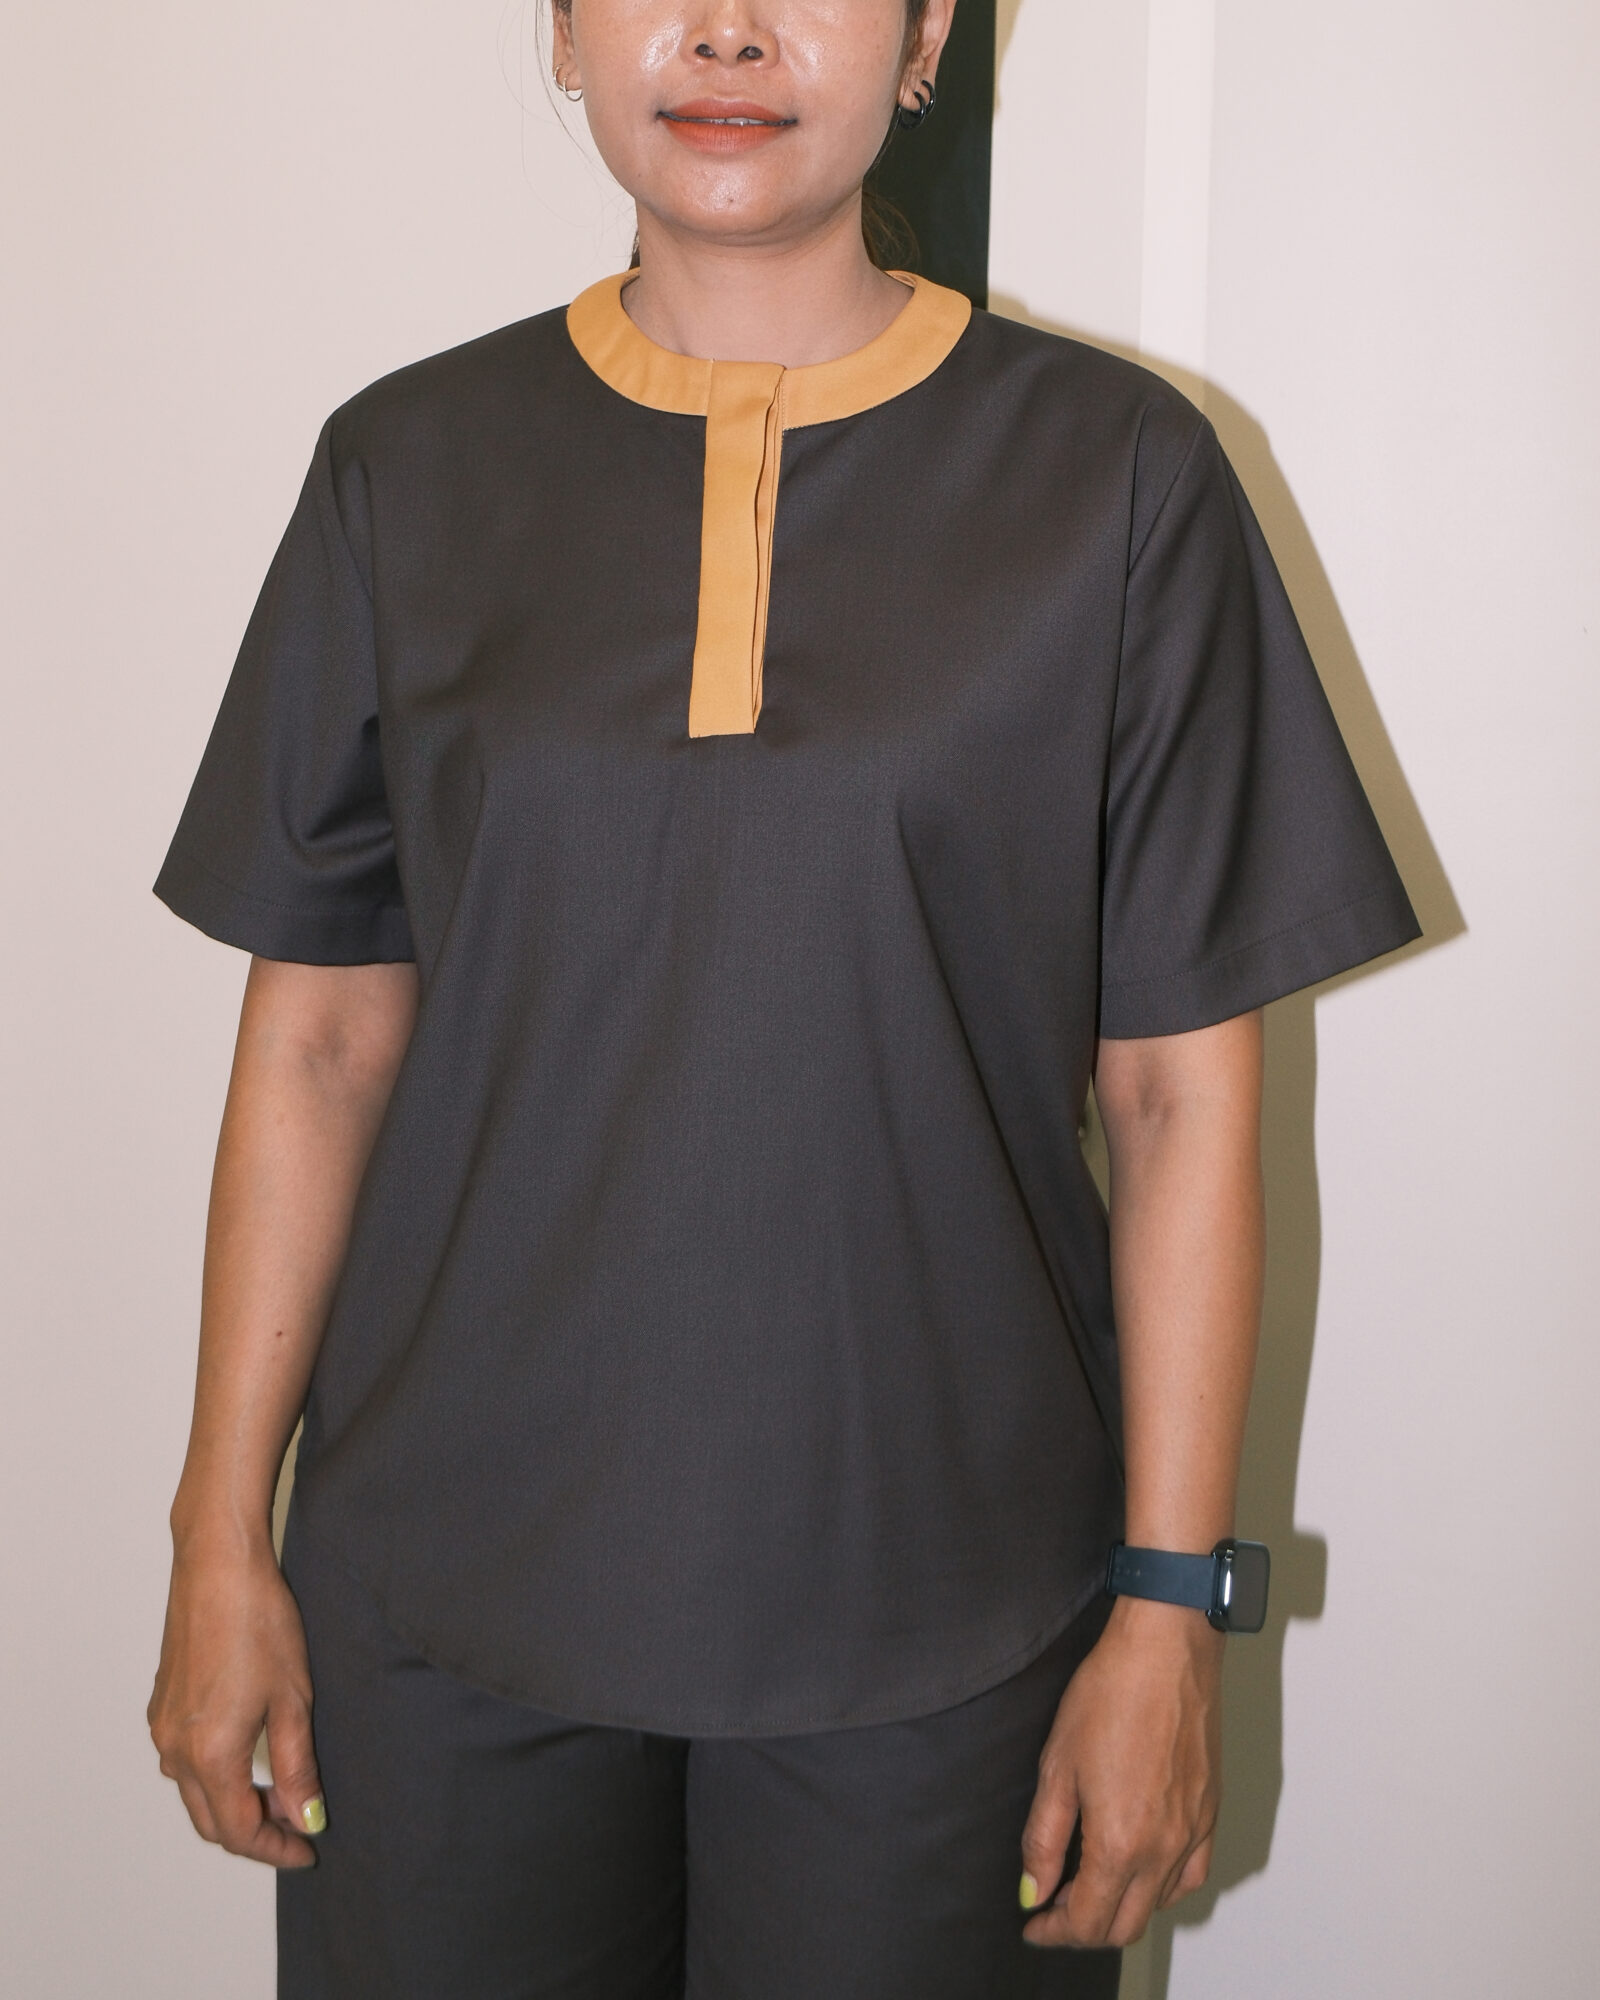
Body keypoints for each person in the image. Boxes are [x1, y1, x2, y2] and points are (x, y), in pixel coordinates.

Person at [146, 2, 1419, 1993]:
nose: (728, 29)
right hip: (439, 1610)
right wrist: (218, 1537)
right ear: (562, 28)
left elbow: (1182, 1101)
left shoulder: (1117, 480)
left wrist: (1168, 1608)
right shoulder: (406, 465)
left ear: (925, 36)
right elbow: (314, 1041)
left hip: (951, 1622)